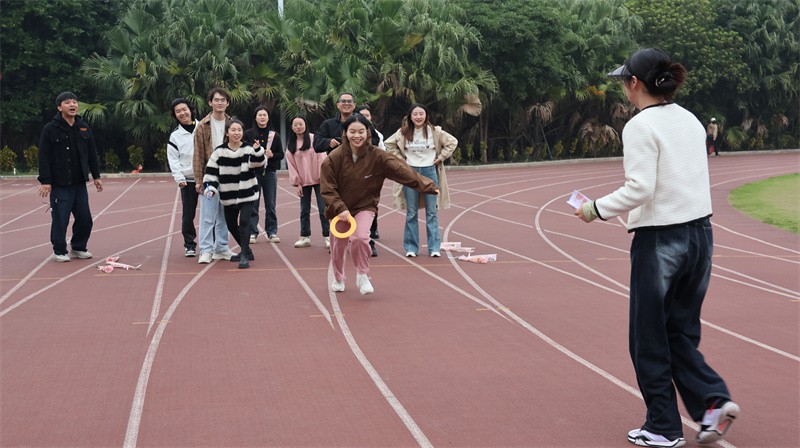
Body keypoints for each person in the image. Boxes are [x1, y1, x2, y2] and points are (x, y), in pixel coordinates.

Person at [576, 48, 740, 448]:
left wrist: (595, 209)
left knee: (648, 336)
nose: (623, 88)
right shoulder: (690, 119)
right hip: (701, 235)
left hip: (661, 240)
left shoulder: (640, 125)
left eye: (624, 81)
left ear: (635, 83)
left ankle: (663, 427)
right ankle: (712, 402)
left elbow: (640, 188)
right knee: (679, 331)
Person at [320, 114, 438, 295]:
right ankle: (338, 277)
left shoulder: (377, 156)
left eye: (361, 131)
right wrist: (340, 208)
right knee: (338, 246)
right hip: (340, 209)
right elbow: (327, 188)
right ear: (345, 133)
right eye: (352, 132)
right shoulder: (334, 158)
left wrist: (427, 185)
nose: (357, 136)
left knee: (361, 238)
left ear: (368, 132)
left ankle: (362, 275)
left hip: (365, 205)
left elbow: (402, 170)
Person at [37, 91, 103, 262]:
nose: (72, 105)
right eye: (67, 102)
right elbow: (43, 156)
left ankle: (78, 247)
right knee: (61, 219)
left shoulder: (83, 127)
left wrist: (96, 176)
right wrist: (45, 181)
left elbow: (91, 153)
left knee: (85, 218)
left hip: (79, 183)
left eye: (74, 102)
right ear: (59, 107)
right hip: (60, 184)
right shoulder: (50, 129)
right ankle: (59, 251)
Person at [385, 103, 457, 258]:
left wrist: (441, 157)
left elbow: (452, 142)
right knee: (411, 212)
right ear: (410, 117)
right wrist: (400, 159)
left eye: (421, 114)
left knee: (432, 212)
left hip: (430, 171)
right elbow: (388, 144)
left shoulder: (435, 131)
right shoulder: (403, 132)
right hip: (410, 172)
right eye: (415, 114)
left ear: (426, 116)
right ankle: (411, 247)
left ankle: (434, 247)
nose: (418, 117)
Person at [203, 119, 265, 269]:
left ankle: (244, 255)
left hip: (247, 193)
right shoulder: (219, 152)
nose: (237, 133)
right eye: (233, 130)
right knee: (231, 224)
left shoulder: (248, 149)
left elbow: (258, 165)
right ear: (227, 133)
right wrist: (210, 188)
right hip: (228, 195)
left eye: (239, 130)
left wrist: (258, 151)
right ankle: (247, 250)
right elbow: (211, 172)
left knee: (244, 222)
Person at [193, 87, 236, 264]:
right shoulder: (202, 126)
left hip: (229, 177)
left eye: (223, 100)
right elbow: (198, 154)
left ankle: (221, 247)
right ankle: (205, 249)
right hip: (210, 177)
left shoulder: (232, 124)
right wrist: (198, 180)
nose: (220, 103)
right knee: (208, 215)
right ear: (210, 102)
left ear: (227, 103)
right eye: (216, 100)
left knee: (224, 215)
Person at [285, 116, 329, 249]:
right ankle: (304, 236)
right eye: (295, 125)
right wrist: (297, 183)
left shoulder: (314, 139)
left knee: (323, 209)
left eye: (301, 124)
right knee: (304, 210)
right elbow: (291, 165)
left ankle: (328, 236)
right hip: (303, 182)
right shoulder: (291, 144)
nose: (298, 127)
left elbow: (322, 158)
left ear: (305, 125)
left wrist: (323, 177)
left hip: (319, 180)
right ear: (292, 127)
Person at [243, 106, 284, 244]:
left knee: (270, 204)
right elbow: (243, 152)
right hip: (253, 173)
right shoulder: (248, 134)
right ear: (255, 117)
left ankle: (272, 232)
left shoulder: (274, 135)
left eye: (264, 115)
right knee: (253, 204)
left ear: (268, 117)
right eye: (259, 115)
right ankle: (252, 232)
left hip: (270, 173)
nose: (262, 117)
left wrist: (272, 155)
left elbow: (281, 154)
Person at [167, 98, 199, 257]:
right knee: (188, 215)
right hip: (188, 181)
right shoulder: (175, 136)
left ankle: (213, 243)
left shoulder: (203, 127)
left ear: (190, 110)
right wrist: (179, 178)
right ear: (175, 115)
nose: (182, 113)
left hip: (207, 178)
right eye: (178, 111)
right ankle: (189, 244)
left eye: (184, 109)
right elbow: (173, 159)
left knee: (212, 214)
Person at [355, 104, 384, 257]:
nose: (364, 118)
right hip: (351, 179)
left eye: (367, 115)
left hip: (370, 177)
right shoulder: (350, 133)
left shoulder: (376, 134)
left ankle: (370, 241)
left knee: (370, 208)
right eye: (361, 115)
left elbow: (382, 154)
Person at [314, 92, 380, 155]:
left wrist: (361, 142)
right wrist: (329, 142)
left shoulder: (363, 122)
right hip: (337, 160)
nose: (346, 103)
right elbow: (317, 144)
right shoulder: (328, 124)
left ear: (354, 104)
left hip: (360, 159)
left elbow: (375, 140)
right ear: (338, 105)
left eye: (349, 101)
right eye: (343, 101)